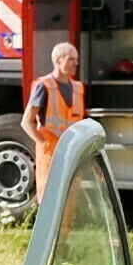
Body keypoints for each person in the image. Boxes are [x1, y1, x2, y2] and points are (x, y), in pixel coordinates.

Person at [22, 41, 85, 204]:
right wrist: (43, 143)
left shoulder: (78, 88)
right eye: (71, 59)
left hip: (72, 150)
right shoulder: (44, 86)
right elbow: (26, 122)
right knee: (50, 200)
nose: (76, 63)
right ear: (58, 60)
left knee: (70, 198)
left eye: (76, 59)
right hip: (51, 152)